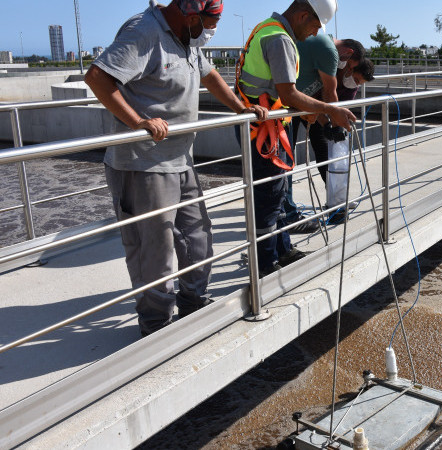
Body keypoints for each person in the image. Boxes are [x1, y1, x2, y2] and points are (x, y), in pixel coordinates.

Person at [85, 0, 269, 337]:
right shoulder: (145, 31)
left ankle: (192, 302)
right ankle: (156, 326)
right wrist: (138, 121)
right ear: (191, 15)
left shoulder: (187, 38)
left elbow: (210, 76)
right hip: (143, 164)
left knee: (197, 238)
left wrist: (242, 108)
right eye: (210, 23)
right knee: (154, 251)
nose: (212, 31)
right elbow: (98, 77)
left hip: (180, 158)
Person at [236, 0, 356, 277]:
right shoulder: (279, 39)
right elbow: (288, 93)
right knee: (268, 197)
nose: (315, 33)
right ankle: (266, 266)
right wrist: (329, 109)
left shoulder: (268, 29)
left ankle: (282, 250)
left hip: (270, 125)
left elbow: (280, 94)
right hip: (263, 133)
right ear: (303, 15)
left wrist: (305, 113)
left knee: (277, 194)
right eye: (314, 25)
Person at [284, 36, 366, 232]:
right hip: (289, 107)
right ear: (349, 54)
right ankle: (287, 214)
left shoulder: (334, 58)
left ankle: (335, 201)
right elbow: (328, 94)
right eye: (350, 68)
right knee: (286, 160)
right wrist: (335, 123)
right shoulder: (329, 53)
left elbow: (314, 94)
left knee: (321, 151)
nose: (347, 70)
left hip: (305, 105)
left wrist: (326, 123)